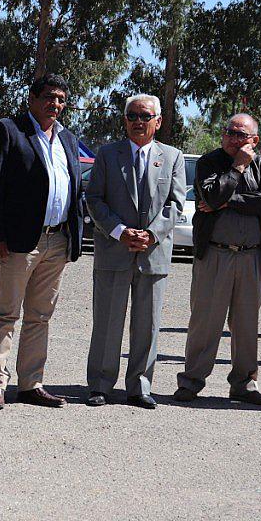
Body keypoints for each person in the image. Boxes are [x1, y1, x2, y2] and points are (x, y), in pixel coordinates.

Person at [0, 73, 83, 410]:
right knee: (6, 314)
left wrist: (74, 237)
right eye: (49, 97)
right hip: (19, 242)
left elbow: (76, 189)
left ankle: (30, 384)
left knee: (40, 317)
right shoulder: (9, 130)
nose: (55, 104)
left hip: (57, 240)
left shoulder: (68, 139)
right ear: (32, 98)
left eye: (61, 99)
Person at [84, 93, 186, 408]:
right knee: (107, 323)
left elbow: (175, 203)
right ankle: (101, 385)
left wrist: (152, 235)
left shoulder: (173, 156)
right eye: (132, 116)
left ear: (158, 121)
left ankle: (139, 386)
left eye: (145, 116)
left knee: (147, 325)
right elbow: (94, 198)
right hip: (114, 251)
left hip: (153, 256)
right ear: (125, 120)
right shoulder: (107, 154)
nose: (138, 122)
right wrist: (119, 231)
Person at [175, 114, 261, 406]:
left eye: (240, 135)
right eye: (229, 132)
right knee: (205, 322)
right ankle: (191, 381)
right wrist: (237, 168)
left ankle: (244, 384)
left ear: (254, 140)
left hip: (251, 255)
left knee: (246, 325)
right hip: (215, 253)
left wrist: (227, 201)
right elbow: (210, 195)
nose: (233, 139)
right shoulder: (210, 162)